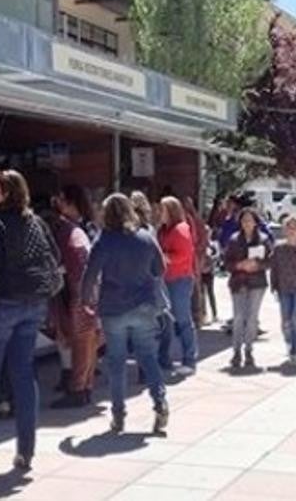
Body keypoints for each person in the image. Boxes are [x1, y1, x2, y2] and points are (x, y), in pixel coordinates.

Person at [0, 170, 62, 472]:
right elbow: (53, 255)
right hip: (34, 304)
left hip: (3, 304)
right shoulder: (36, 221)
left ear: (5, 193)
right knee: (23, 374)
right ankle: (25, 452)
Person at [81, 193, 169, 435]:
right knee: (148, 356)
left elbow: (90, 274)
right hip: (143, 305)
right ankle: (160, 401)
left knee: (116, 362)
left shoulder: (103, 241)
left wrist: (85, 300)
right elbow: (160, 268)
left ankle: (118, 415)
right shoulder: (145, 237)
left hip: (114, 307)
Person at [50, 185, 99, 409]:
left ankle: (78, 389)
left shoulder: (69, 231)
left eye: (61, 198)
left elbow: (71, 264)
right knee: (87, 342)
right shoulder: (86, 228)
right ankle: (84, 387)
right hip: (90, 291)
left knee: (81, 341)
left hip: (78, 293)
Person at [223, 208, 270, 369]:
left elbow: (270, 261)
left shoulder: (263, 239)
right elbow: (226, 262)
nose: (247, 223)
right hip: (239, 282)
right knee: (238, 318)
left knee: (251, 318)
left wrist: (258, 264)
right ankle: (236, 351)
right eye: (244, 221)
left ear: (256, 222)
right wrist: (239, 265)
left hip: (257, 283)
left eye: (250, 220)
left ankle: (249, 349)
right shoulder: (234, 239)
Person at [156, 197, 198, 377]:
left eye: (163, 210)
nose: (159, 213)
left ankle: (189, 359)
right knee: (166, 321)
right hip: (166, 279)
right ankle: (163, 358)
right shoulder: (163, 230)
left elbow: (184, 254)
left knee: (182, 319)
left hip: (179, 279)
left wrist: (165, 257)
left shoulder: (181, 229)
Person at [267, 215, 296, 365]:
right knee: (286, 320)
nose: (292, 231)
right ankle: (288, 342)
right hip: (283, 288)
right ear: (284, 230)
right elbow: (274, 269)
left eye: (294, 228)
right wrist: (273, 286)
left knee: (295, 318)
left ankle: (294, 349)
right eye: (289, 227)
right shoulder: (279, 248)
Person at [182, 197, 211, 325]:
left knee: (196, 288)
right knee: (196, 287)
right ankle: (198, 315)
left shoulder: (191, 219)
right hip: (193, 257)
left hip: (194, 258)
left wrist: (198, 254)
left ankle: (198, 315)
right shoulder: (192, 218)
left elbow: (201, 240)